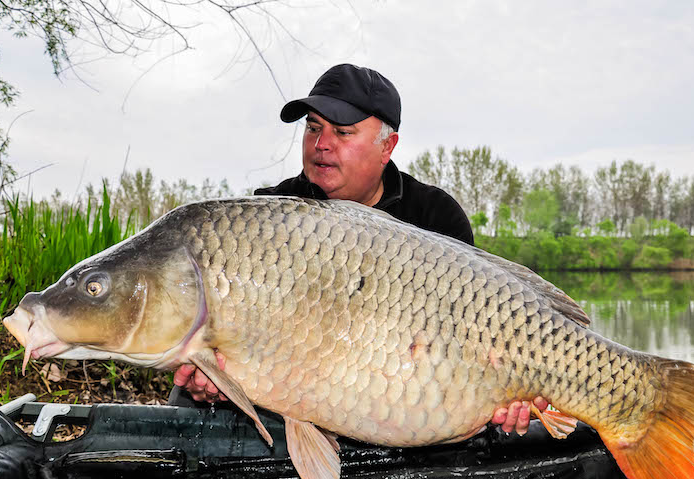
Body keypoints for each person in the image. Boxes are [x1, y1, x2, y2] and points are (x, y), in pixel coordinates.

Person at [169, 64, 548, 435]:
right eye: (313, 128)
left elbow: (482, 340)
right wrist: (215, 383)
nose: (321, 144)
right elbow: (241, 347)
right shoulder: (270, 217)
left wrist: (509, 397)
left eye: (342, 132)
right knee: (184, 399)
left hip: (405, 401)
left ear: (387, 146)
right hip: (298, 395)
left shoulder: (435, 216)